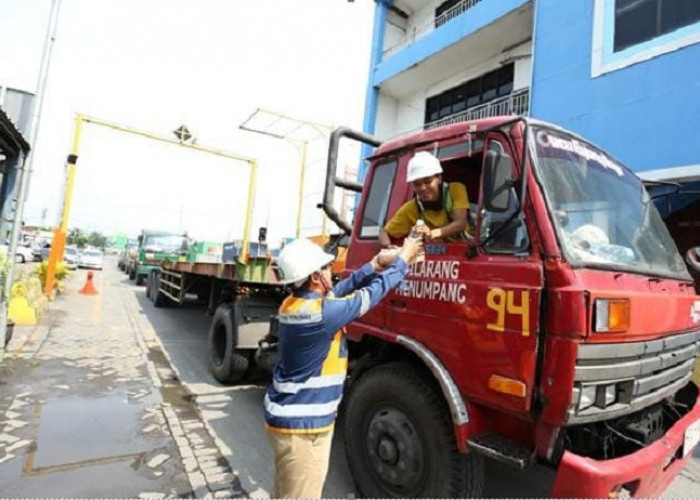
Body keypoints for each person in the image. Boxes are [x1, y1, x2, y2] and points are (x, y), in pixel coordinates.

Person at [264, 235, 422, 499]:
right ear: (316, 277)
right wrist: (404, 258)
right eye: (326, 268)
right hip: (303, 429)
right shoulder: (322, 314)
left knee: (285, 491)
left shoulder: (295, 304)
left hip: (287, 421)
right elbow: (371, 294)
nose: (331, 271)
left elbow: (337, 292)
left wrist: (373, 265)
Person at [379, 151, 471, 247]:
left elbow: (460, 223)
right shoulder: (411, 208)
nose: (423, 188)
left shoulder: (455, 190)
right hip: (437, 253)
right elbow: (384, 232)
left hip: (465, 249)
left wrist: (431, 234)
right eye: (417, 184)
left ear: (439, 179)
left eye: (428, 182)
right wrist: (389, 247)